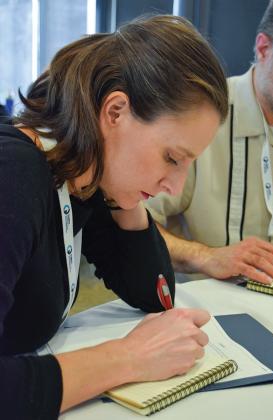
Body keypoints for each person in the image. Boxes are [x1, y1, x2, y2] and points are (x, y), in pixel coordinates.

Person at [0, 15, 228, 419]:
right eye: (171, 158)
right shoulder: (13, 177)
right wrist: (127, 357)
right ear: (116, 111)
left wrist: (130, 192)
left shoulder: (81, 177)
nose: (175, 186)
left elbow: (153, 293)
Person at [146, 0, 273, 285]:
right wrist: (205, 256)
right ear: (264, 48)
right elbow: (129, 224)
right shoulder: (201, 118)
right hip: (210, 307)